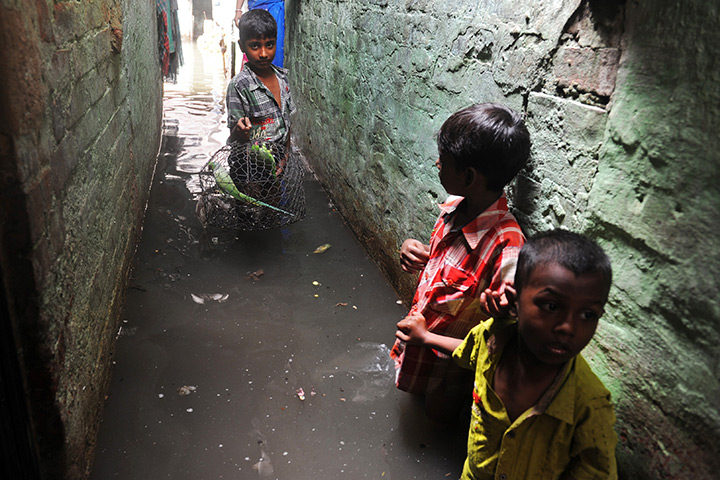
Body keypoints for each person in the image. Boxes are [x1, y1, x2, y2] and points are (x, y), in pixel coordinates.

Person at [396, 229, 618, 479]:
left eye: (588, 315)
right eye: (552, 306)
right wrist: (426, 338)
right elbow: (468, 351)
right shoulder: (492, 340)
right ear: (515, 299)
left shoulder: (590, 407)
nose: (568, 327)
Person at [391, 103, 531, 422]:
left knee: (437, 423)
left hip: (451, 374)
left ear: (468, 176)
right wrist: (413, 250)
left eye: (445, 161)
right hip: (420, 347)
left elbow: (499, 346)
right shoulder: (455, 208)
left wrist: (427, 339)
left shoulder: (507, 247)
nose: (437, 163)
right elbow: (445, 269)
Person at [226, 8, 295, 173]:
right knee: (250, 199)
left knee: (275, 197)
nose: (264, 53)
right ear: (242, 46)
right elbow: (234, 136)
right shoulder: (239, 86)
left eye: (269, 45)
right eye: (255, 46)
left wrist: (285, 157)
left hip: (278, 161)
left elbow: (286, 124)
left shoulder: (283, 78)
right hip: (249, 167)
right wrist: (239, 130)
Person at [234, 0, 285, 68]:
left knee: (276, 48)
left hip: (275, 8)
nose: (263, 54)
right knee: (254, 43)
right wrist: (238, 10)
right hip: (255, 8)